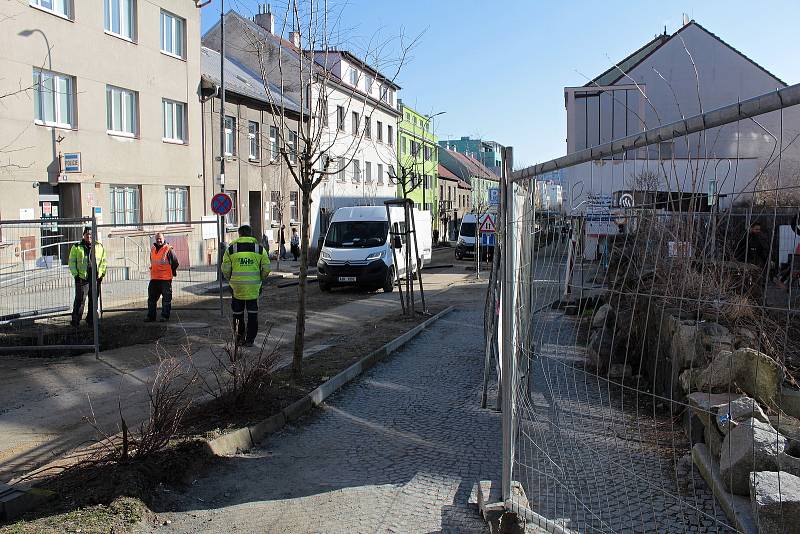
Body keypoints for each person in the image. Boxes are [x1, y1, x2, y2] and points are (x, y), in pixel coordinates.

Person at [222, 224, 271, 346]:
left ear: (239, 234)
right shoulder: (259, 249)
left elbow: (225, 269)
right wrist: (260, 278)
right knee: (252, 314)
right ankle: (250, 340)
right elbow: (267, 268)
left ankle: (239, 339)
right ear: (250, 234)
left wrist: (231, 280)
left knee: (237, 314)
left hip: (236, 288)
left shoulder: (231, 249)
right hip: (253, 288)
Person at [68, 227, 107, 327]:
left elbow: (103, 261)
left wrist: (101, 274)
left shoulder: (99, 246)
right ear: (83, 235)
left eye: (90, 234)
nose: (89, 236)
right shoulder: (76, 247)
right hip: (82, 278)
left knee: (94, 300)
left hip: (95, 278)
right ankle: (75, 321)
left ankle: (91, 320)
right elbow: (71, 262)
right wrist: (76, 275)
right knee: (80, 300)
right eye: (87, 234)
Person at [146, 232, 179, 322]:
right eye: (157, 239)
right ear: (155, 240)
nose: (159, 240)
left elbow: (175, 262)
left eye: (160, 238)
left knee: (166, 299)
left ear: (164, 239)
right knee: (151, 299)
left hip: (165, 279)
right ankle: (151, 317)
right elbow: (152, 261)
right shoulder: (153, 249)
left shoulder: (168, 249)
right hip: (154, 279)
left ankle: (164, 316)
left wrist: (172, 272)